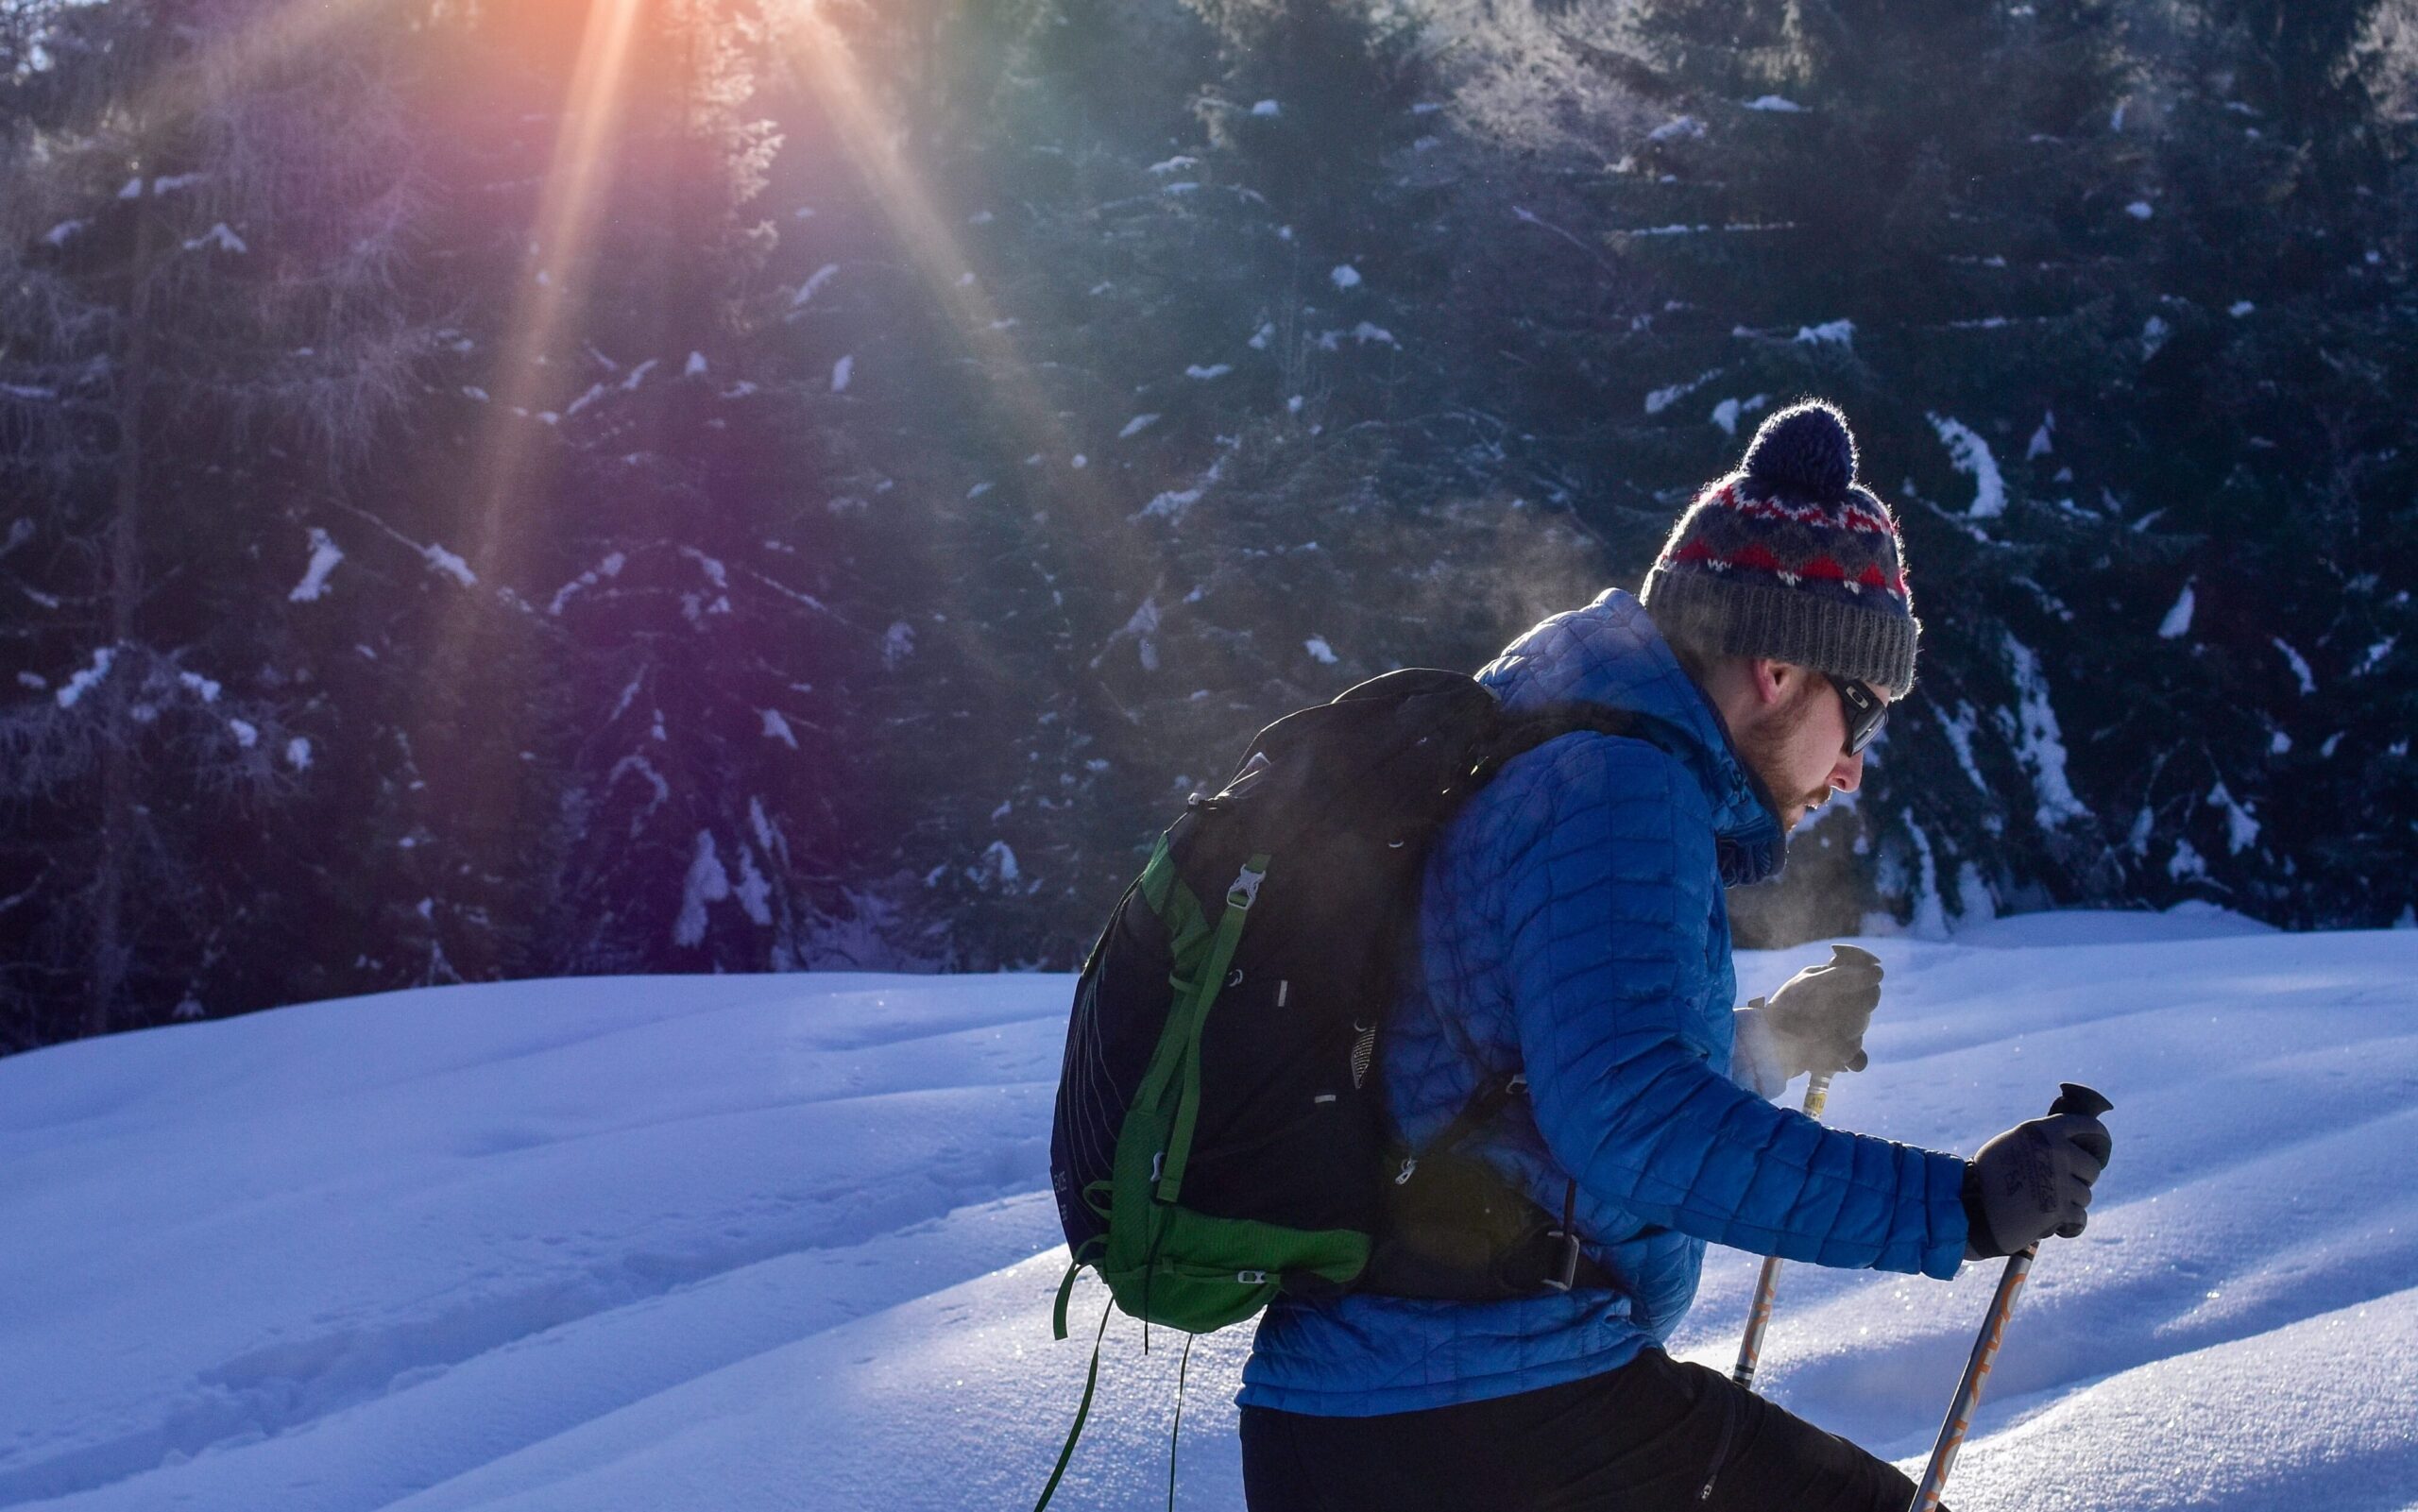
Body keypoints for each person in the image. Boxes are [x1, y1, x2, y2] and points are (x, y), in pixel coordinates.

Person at [1235, 400, 2113, 1512]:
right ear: (1779, 668)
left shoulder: (1558, 734)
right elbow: (1630, 1119)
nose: (1852, 766)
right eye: (1862, 712)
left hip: (1383, 1404)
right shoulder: (1618, 786)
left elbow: (1538, 1072)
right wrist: (1959, 1206)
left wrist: (1768, 1042)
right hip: (1475, 1409)